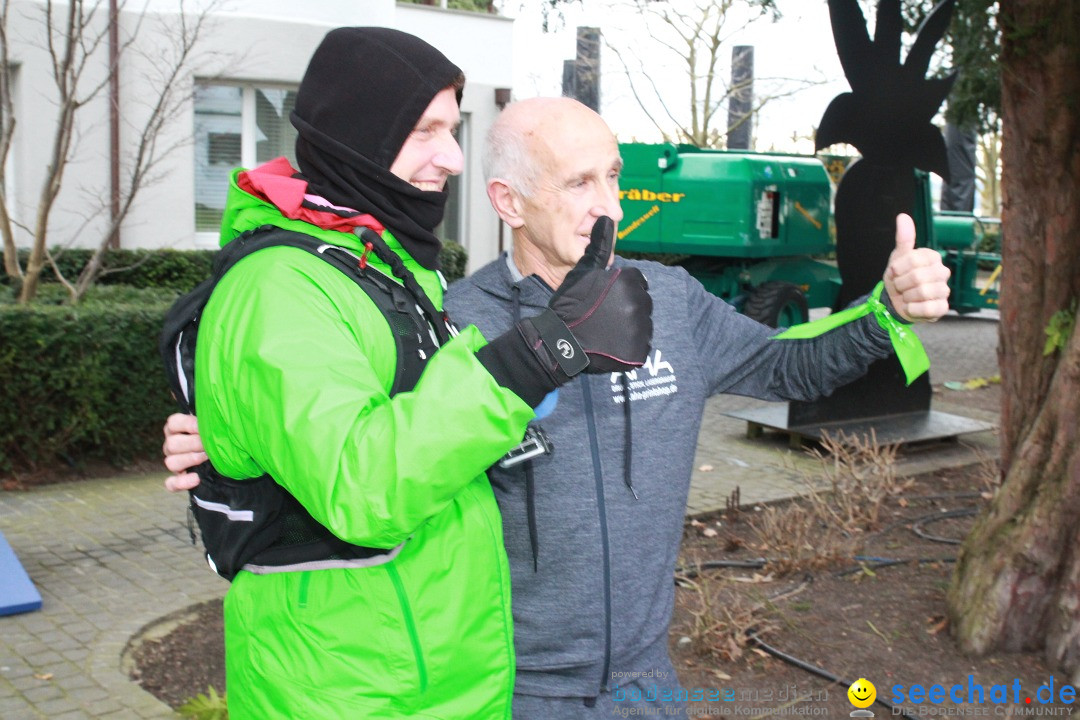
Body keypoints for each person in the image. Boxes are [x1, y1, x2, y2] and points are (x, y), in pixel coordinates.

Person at [166, 96, 950, 716]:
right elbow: (363, 456)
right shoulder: (451, 321)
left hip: (649, 686)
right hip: (510, 691)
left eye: (613, 176)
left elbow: (794, 368)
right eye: (580, 183)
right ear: (508, 201)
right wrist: (228, 445)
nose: (608, 205)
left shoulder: (668, 299)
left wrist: (887, 309)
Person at [171, 29, 652, 719]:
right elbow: (365, 489)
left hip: (431, 680)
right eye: (426, 131)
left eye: (452, 131)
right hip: (348, 693)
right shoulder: (279, 286)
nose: (452, 158)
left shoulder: (387, 261)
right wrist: (535, 358)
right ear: (359, 133)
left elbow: (415, 426)